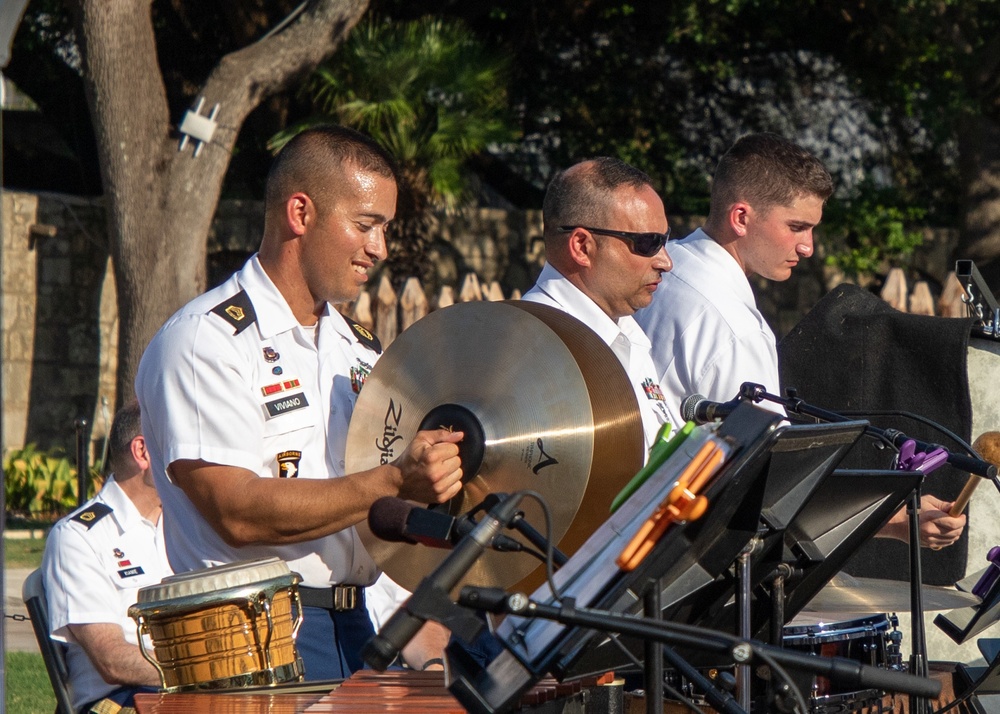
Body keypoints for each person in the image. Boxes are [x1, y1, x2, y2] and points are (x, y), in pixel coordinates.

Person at [135, 125, 459, 679]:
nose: (379, 248)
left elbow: (365, 508)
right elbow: (236, 511)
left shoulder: (357, 347)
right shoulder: (204, 339)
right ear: (301, 213)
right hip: (249, 638)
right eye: (366, 225)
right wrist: (392, 480)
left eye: (384, 228)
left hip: (352, 624)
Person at [636, 132, 965, 550]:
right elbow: (767, 492)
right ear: (741, 217)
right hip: (671, 550)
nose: (808, 247)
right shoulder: (735, 329)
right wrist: (894, 519)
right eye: (797, 227)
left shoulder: (667, 268)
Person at [522, 157, 681, 452]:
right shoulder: (530, 352)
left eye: (665, 240)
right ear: (582, 246)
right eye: (648, 243)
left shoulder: (627, 332)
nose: (666, 261)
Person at [42, 401, 172, 714]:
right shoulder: (78, 537)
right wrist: (203, 669)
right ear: (143, 452)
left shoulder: (187, 526)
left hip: (184, 694)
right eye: (179, 441)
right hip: (119, 700)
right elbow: (110, 659)